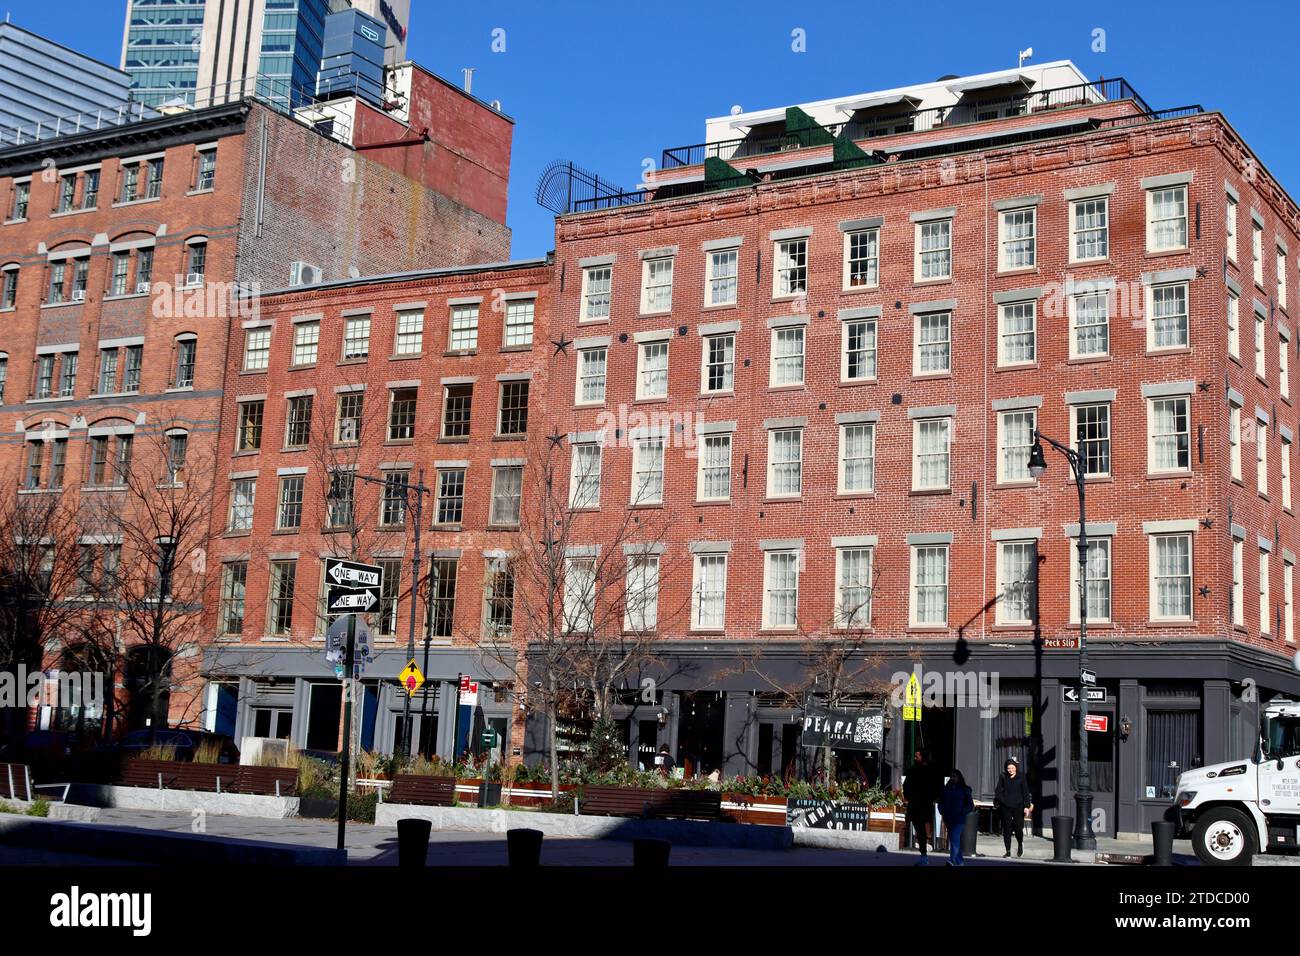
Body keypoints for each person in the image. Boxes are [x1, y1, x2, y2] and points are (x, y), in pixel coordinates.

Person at [903, 750, 939, 865]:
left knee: (921, 829)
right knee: (920, 829)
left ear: (923, 757)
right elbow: (906, 786)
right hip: (919, 804)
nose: (914, 758)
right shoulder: (915, 770)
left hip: (921, 804)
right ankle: (923, 854)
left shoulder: (928, 770)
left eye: (917, 756)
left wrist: (930, 797)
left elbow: (936, 787)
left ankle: (924, 855)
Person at [994, 758, 1033, 858]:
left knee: (1018, 828)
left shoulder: (1021, 777)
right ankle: (1008, 851)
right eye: (1008, 768)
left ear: (1016, 768)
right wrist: (1002, 801)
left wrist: (1027, 807)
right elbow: (998, 791)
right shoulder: (1003, 777)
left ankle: (1020, 844)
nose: (1010, 770)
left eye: (1012, 768)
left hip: (1018, 806)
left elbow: (1025, 792)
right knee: (1007, 829)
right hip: (1005, 806)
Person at [938, 769, 975, 866]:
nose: (952, 778)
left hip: (959, 819)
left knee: (954, 839)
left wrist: (963, 812)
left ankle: (951, 860)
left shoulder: (964, 790)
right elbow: (940, 801)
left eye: (955, 776)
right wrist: (941, 810)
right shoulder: (946, 789)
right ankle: (960, 861)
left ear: (959, 777)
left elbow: (970, 805)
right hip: (948, 818)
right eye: (951, 776)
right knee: (954, 840)